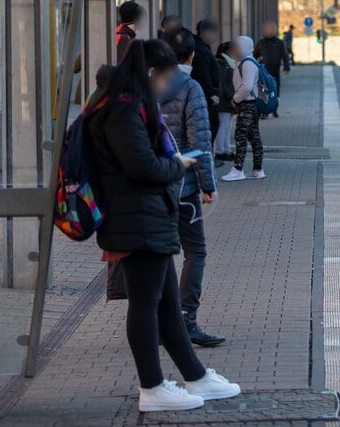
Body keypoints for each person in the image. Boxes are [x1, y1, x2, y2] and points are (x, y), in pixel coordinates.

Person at [85, 39, 240, 412]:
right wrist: (179, 165)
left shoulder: (121, 102)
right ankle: (152, 388)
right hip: (134, 218)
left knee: (166, 303)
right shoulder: (124, 109)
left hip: (144, 217)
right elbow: (141, 166)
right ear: (152, 73)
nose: (167, 85)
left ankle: (196, 376)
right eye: (166, 77)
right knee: (145, 304)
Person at [160, 30, 225, 348]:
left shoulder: (144, 86)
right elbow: (200, 141)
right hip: (183, 189)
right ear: (192, 56)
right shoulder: (190, 88)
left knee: (160, 256)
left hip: (150, 187)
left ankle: (159, 320)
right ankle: (187, 319)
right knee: (195, 251)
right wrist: (208, 184)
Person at [221, 36, 265, 181]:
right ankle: (258, 169)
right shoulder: (247, 61)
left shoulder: (247, 63)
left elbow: (246, 86)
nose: (233, 50)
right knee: (253, 136)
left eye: (236, 47)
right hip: (250, 104)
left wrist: (235, 98)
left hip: (247, 103)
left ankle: (237, 169)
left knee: (240, 136)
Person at [254, 21, 290, 118]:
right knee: (263, 91)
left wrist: (286, 67)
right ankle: (264, 112)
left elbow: (285, 56)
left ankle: (274, 110)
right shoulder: (261, 43)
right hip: (263, 72)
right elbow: (254, 56)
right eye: (267, 29)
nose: (269, 31)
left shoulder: (279, 43)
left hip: (275, 72)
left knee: (275, 91)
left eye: (271, 29)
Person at [193, 20, 222, 138]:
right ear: (205, 33)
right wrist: (211, 94)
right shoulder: (200, 50)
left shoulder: (203, 48)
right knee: (209, 125)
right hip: (206, 97)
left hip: (206, 96)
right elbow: (202, 74)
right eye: (214, 33)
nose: (216, 37)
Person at [213, 42, 236, 162]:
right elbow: (223, 84)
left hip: (228, 99)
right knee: (223, 125)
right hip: (225, 100)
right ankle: (220, 151)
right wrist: (232, 96)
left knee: (227, 126)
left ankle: (226, 150)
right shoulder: (222, 63)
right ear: (228, 51)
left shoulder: (229, 63)